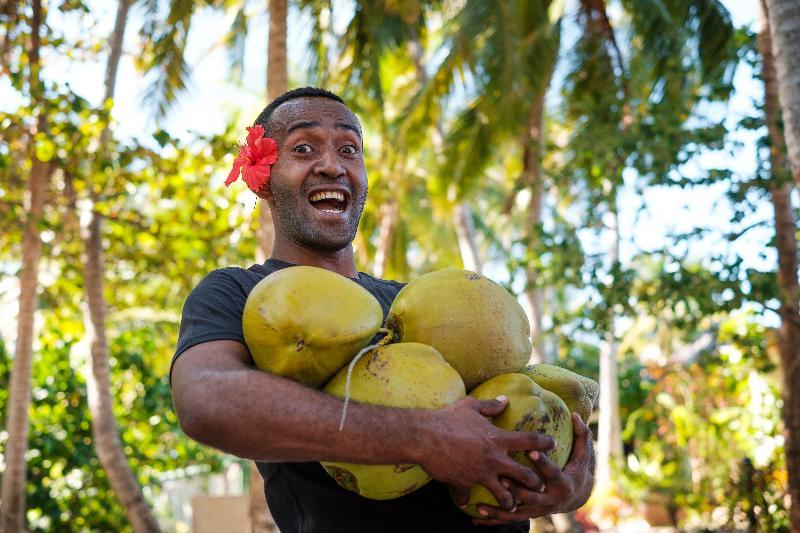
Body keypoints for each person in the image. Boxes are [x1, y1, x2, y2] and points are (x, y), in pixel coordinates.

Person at [170, 87, 594, 533]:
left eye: (349, 149)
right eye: (303, 148)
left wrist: (570, 481)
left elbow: (518, 398)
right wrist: (425, 439)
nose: (332, 165)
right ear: (264, 178)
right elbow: (207, 398)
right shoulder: (238, 291)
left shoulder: (415, 300)